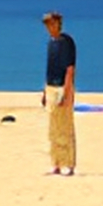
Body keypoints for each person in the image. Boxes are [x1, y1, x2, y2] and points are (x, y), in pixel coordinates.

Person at [41, 11, 76, 175]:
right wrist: (44, 91)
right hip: (51, 86)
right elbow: (49, 68)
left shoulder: (66, 42)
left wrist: (67, 91)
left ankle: (69, 164)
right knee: (53, 129)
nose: (50, 28)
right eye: (48, 25)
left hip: (63, 87)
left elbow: (70, 69)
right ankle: (56, 163)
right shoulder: (51, 43)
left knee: (65, 127)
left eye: (52, 24)